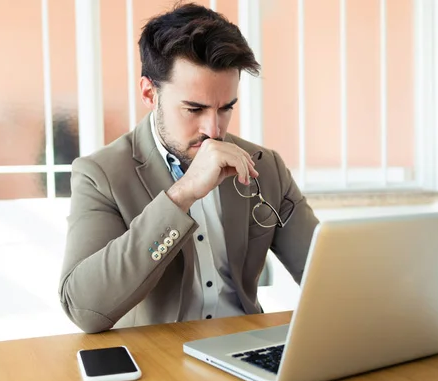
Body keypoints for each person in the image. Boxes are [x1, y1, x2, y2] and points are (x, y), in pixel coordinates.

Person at [59, 2, 319, 334]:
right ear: (149, 93)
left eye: (226, 108)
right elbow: (84, 308)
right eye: (194, 109)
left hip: (247, 351)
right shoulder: (101, 175)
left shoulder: (265, 167)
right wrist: (181, 195)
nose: (214, 129)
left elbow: (330, 280)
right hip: (159, 365)